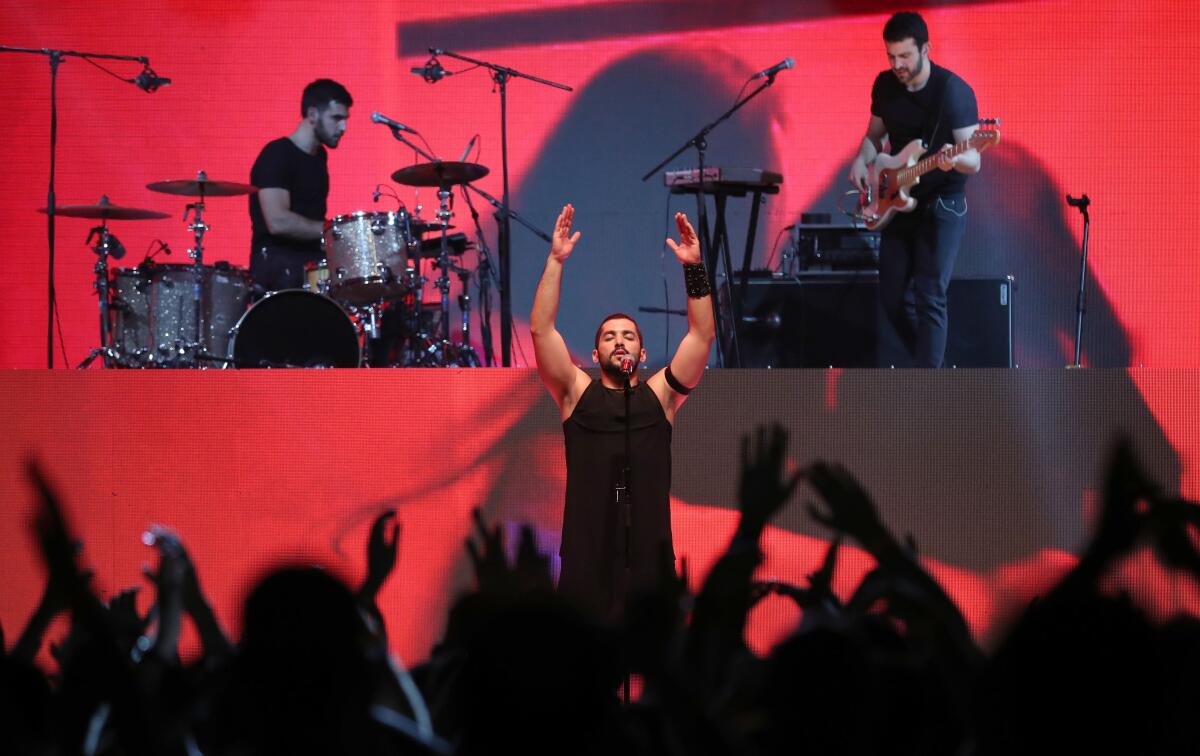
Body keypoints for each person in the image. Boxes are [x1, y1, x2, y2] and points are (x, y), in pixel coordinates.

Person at [530, 204, 715, 621]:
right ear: (595, 354)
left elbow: (702, 335)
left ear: (642, 352)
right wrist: (556, 261)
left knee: (655, 667)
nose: (620, 342)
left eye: (628, 336)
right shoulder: (576, 395)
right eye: (610, 337)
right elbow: (542, 330)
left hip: (649, 557)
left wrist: (695, 267)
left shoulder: (660, 397)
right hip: (586, 559)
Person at [848, 11, 981, 368]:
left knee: (930, 294)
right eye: (891, 56)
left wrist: (952, 159)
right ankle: (928, 362)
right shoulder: (884, 85)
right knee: (891, 298)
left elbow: (974, 160)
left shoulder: (953, 92)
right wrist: (862, 161)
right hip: (897, 199)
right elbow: (875, 137)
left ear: (926, 49)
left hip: (943, 202)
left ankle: (929, 386)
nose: (897, 64)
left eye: (905, 56)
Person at [248, 78, 352, 293]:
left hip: (311, 265)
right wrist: (335, 232)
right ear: (313, 115)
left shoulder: (319, 157)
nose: (343, 127)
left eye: (345, 119)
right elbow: (277, 221)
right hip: (277, 267)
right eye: (336, 118)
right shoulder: (277, 154)